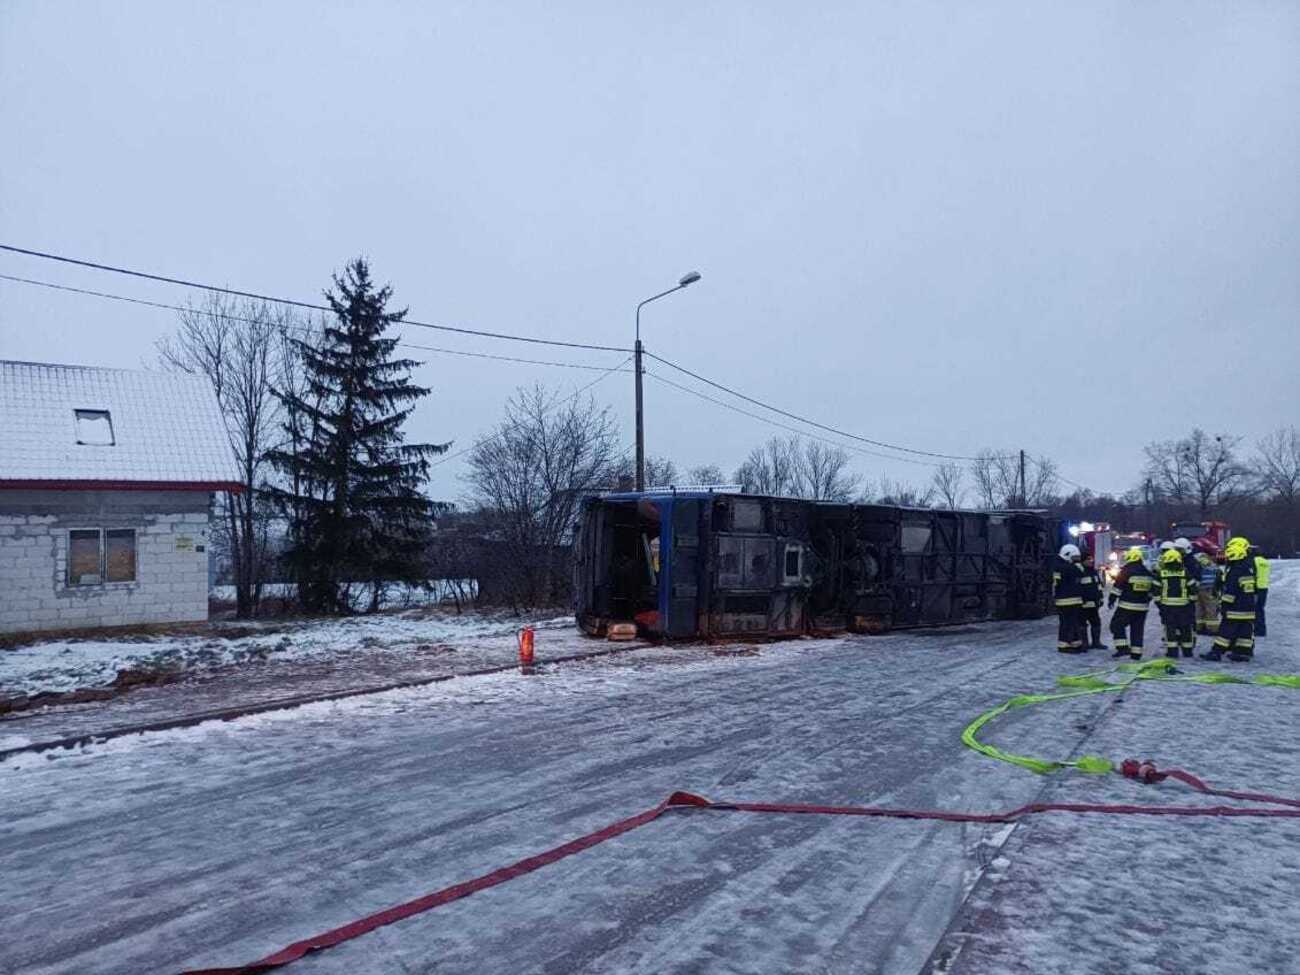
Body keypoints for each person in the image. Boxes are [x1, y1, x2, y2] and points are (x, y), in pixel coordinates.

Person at [1202, 537, 1257, 662]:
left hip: (1235, 608)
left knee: (1225, 631)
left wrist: (1224, 605)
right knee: (1245, 631)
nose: (1227, 558)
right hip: (1248, 608)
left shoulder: (1235, 571)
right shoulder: (1247, 567)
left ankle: (1216, 652)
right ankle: (1242, 652)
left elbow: (1231, 591)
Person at [1108, 547, 1157, 659]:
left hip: (1126, 606)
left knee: (1116, 625)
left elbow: (1117, 587)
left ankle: (1122, 648)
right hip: (1142, 608)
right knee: (1137, 630)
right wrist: (1147, 599)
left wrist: (1112, 599)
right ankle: (1136, 653)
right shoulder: (1147, 572)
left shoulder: (1126, 571)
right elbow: (1153, 589)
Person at [1155, 547, 1196, 658]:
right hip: (1184, 606)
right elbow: (1193, 587)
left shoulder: (1161, 573)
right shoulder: (1185, 572)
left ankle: (1172, 652)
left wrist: (1159, 604)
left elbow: (1155, 590)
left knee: (1170, 629)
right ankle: (1188, 652)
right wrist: (1191, 601)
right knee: (1186, 628)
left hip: (1167, 607)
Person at [1053, 543, 1086, 653]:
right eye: (1074, 558)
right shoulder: (1067, 567)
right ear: (1067, 555)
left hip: (1067, 600)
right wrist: (1078, 566)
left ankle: (1074, 643)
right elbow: (1080, 573)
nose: (1076, 560)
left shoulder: (1059, 566)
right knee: (1067, 623)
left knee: (1071, 623)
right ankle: (1064, 645)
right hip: (1068, 600)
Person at [1079, 550, 1106, 649]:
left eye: (1091, 559)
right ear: (1083, 561)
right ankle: (1084, 644)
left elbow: (1098, 586)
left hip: (1094, 604)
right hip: (1083, 605)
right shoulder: (1080, 572)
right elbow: (1078, 588)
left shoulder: (1093, 572)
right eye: (1088, 559)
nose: (1091, 561)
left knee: (1096, 622)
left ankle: (1096, 642)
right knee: (1082, 624)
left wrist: (1101, 598)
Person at [1252, 546, 1270, 638]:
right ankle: (1262, 629)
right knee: (1261, 609)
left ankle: (1257, 630)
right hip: (1264, 587)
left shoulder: (1254, 561)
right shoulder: (1265, 562)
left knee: (1255, 609)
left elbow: (1254, 575)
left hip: (1257, 588)